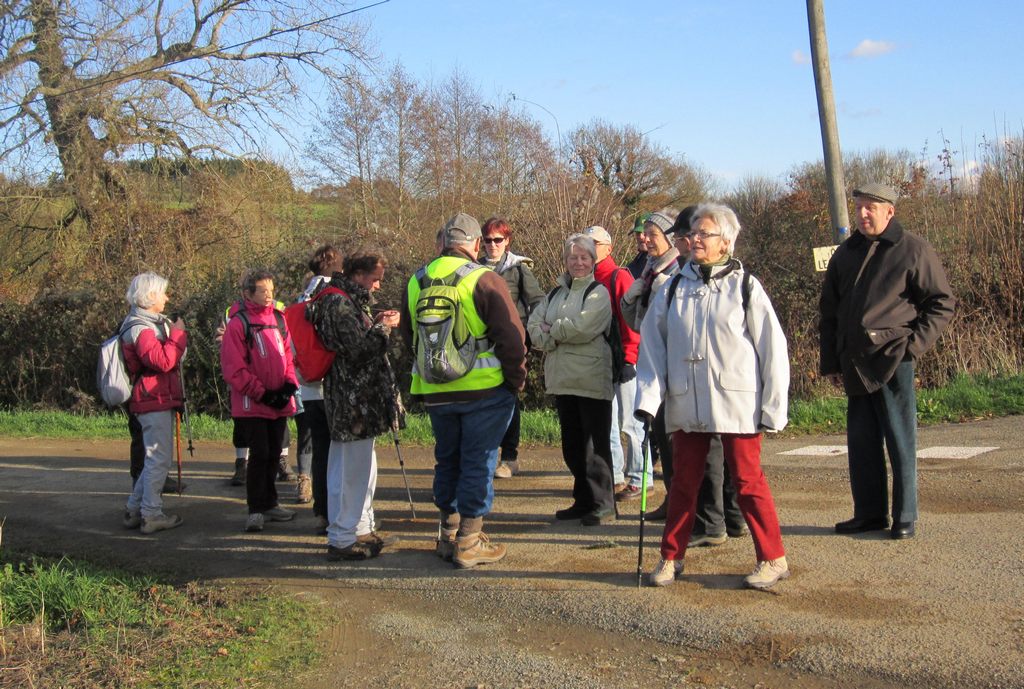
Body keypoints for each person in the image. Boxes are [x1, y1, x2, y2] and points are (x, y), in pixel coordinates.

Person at [635, 203, 791, 590]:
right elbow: (653, 348)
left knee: (747, 480)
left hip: (737, 401)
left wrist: (774, 407)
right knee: (683, 483)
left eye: (705, 234)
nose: (695, 239)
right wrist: (648, 401)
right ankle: (671, 557)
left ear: (726, 241)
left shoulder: (746, 285)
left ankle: (773, 557)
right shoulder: (671, 287)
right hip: (687, 400)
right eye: (694, 234)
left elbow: (772, 347)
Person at [820, 183, 955, 540]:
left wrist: (913, 346)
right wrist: (831, 361)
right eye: (860, 207)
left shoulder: (912, 249)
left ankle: (905, 515)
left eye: (871, 208)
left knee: (900, 439)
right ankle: (869, 514)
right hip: (854, 360)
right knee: (862, 441)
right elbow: (830, 311)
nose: (863, 214)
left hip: (894, 358)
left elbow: (941, 303)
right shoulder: (845, 253)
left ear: (890, 211)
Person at [400, 212, 527, 569]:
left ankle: (447, 534)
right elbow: (512, 338)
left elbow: (408, 336)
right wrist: (516, 380)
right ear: (473, 244)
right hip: (484, 391)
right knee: (478, 462)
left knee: (448, 458)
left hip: (436, 389)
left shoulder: (416, 281)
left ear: (441, 244)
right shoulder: (484, 278)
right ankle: (470, 541)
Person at [308, 249, 402, 561]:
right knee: (349, 472)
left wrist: (375, 323)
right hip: (353, 404)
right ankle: (343, 538)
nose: (377, 286)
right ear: (358, 275)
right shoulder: (337, 301)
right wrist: (385, 328)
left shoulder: (341, 300)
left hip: (356, 402)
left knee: (356, 468)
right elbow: (358, 349)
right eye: (375, 280)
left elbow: (353, 340)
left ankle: (357, 528)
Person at [528, 233, 616, 526]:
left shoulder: (598, 292)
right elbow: (533, 326)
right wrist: (551, 334)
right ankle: (583, 500)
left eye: (584, 257)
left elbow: (584, 328)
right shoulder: (555, 293)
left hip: (591, 378)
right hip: (561, 378)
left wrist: (551, 330)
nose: (578, 262)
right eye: (573, 257)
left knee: (595, 446)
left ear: (593, 260)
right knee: (573, 446)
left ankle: (603, 503)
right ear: (565, 260)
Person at [220, 270, 299, 533]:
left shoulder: (279, 318)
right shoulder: (237, 324)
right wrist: (262, 393)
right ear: (247, 294)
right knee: (260, 453)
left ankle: (270, 502)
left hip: (278, 400)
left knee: (275, 452)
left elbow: (287, 354)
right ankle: (255, 509)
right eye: (263, 291)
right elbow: (234, 368)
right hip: (252, 403)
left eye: (272, 291)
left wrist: (288, 385)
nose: (269, 296)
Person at [619, 208, 680, 505]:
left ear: (670, 238)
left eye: (653, 234)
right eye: (646, 234)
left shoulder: (678, 271)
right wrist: (633, 295)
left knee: (674, 439)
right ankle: (672, 500)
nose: (646, 239)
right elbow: (637, 323)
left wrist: (658, 292)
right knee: (661, 437)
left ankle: (685, 505)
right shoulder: (649, 269)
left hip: (674, 367)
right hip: (652, 363)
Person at [120, 271, 188, 534]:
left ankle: (135, 509)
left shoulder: (144, 323)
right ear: (150, 296)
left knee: (153, 459)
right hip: (152, 399)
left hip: (153, 398)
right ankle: (151, 513)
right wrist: (178, 336)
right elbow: (162, 361)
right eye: (162, 293)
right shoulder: (141, 327)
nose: (167, 297)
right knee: (158, 459)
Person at [580, 225, 644, 502]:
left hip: (624, 361)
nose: (589, 248)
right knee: (607, 424)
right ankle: (616, 477)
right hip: (600, 361)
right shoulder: (586, 279)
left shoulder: (619, 276)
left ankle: (641, 478)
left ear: (608, 247)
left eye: (595, 243)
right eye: (586, 242)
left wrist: (630, 357)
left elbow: (631, 321)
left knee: (631, 423)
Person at [479, 217, 544, 479]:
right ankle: (485, 455)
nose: (492, 245)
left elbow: (538, 301)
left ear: (507, 241)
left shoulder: (518, 270)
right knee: (481, 401)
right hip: (479, 345)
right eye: (487, 240)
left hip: (511, 344)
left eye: (498, 240)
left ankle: (510, 457)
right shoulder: (473, 268)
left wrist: (530, 333)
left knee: (508, 399)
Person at [293, 245, 343, 528]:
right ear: (334, 265)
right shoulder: (333, 294)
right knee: (339, 452)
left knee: (320, 450)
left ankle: (322, 513)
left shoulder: (302, 296)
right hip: (332, 383)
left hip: (307, 384)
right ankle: (338, 513)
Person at [625, 214, 650, 279]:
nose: (641, 237)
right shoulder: (640, 256)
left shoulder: (656, 263)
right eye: (638, 233)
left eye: (645, 233)